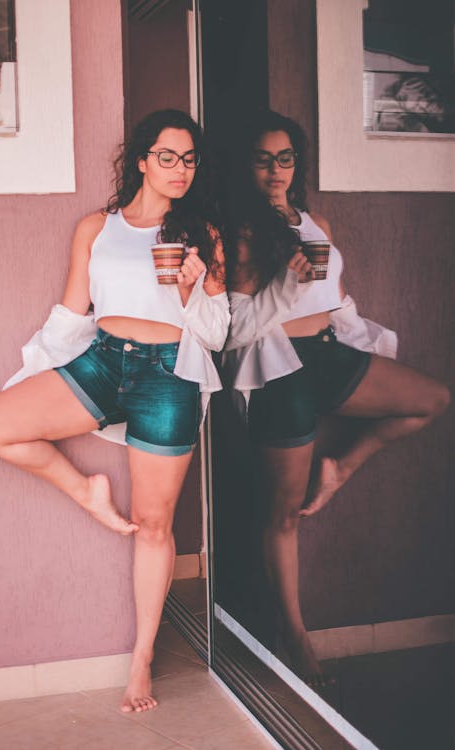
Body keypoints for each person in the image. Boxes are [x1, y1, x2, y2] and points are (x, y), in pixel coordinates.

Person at [0, 109, 230, 712]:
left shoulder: (202, 235)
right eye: (167, 156)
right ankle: (85, 490)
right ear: (141, 160)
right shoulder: (95, 228)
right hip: (104, 360)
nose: (180, 169)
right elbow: (70, 316)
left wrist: (198, 287)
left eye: (189, 159)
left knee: (154, 524)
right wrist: (36, 376)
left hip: (171, 375)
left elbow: (213, 336)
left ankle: (140, 660)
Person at [223, 109, 450, 686]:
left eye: (285, 157)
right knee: (282, 514)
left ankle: (341, 467)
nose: (275, 169)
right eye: (262, 158)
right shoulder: (244, 230)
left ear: (297, 164)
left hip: (327, 354)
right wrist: (286, 285)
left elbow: (338, 299)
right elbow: (239, 326)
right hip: (281, 370)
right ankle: (295, 637)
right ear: (246, 165)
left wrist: (365, 346)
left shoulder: (314, 220)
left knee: (431, 399)